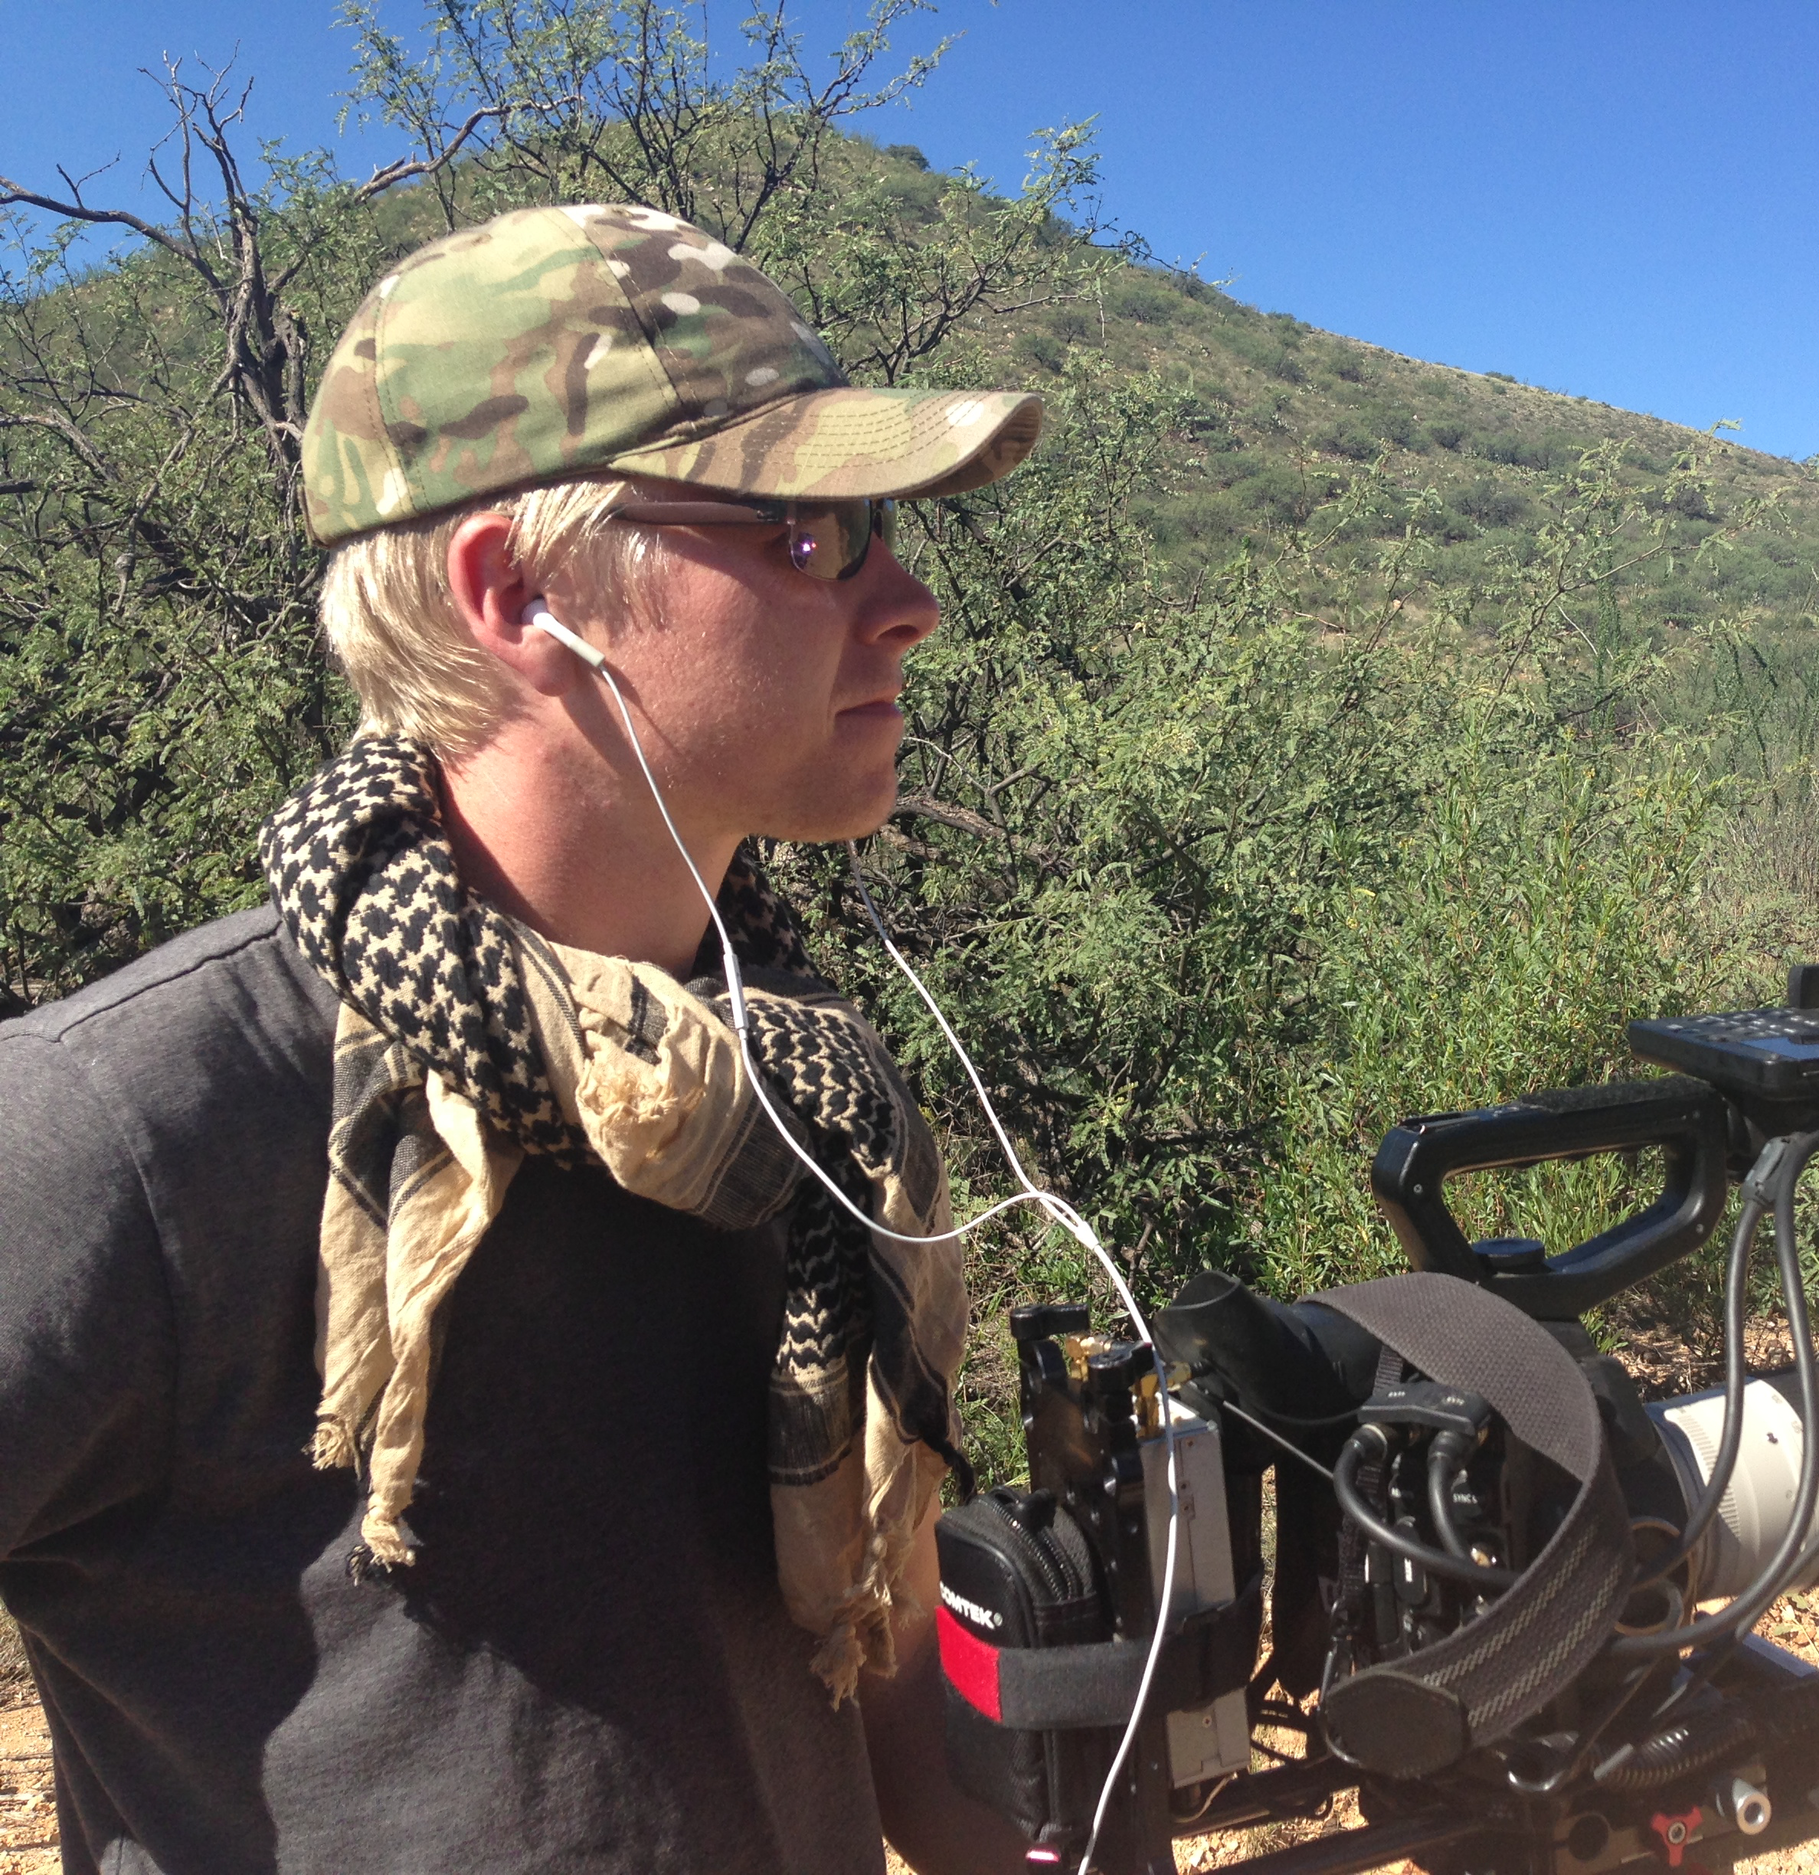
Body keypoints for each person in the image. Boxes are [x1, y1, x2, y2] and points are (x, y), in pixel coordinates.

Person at [0, 202, 1041, 1874]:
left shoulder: (803, 1099)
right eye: (815, 531)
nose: (905, 598)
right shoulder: (129, 1130)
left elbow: (882, 1677)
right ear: (523, 591)